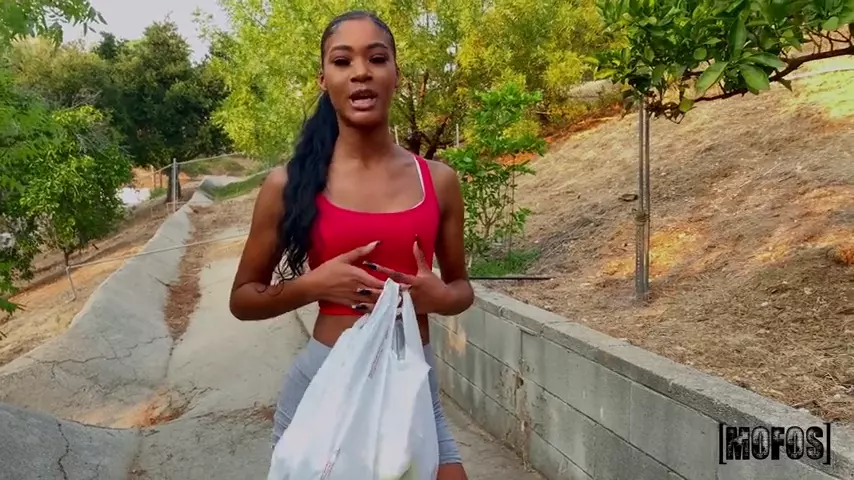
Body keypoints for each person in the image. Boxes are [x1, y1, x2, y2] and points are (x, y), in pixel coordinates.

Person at [228, 9, 474, 480]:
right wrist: (314, 285)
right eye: (343, 61)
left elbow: (462, 288)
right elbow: (243, 299)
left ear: (396, 74)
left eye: (376, 58)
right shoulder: (288, 184)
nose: (361, 72)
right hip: (323, 392)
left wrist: (439, 297)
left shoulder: (438, 181)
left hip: (412, 391)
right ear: (324, 79)